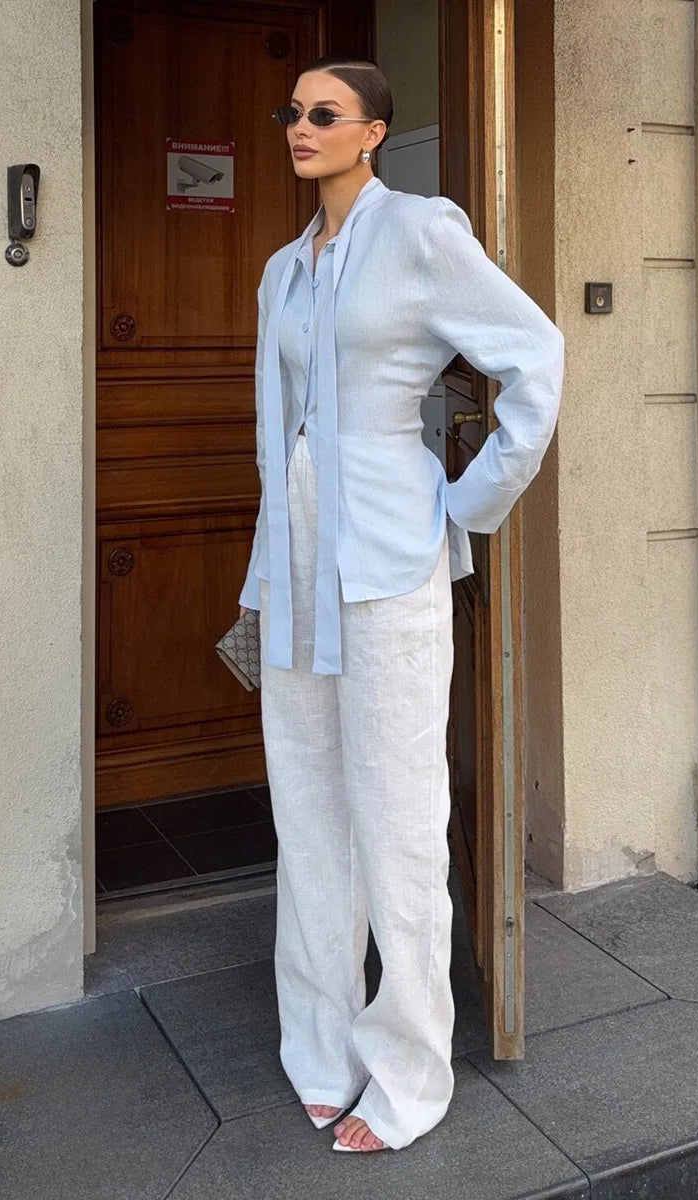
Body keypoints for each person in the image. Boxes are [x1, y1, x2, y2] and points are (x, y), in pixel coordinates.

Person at [237, 55, 564, 1153]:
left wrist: (468, 504)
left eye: (323, 112)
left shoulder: (423, 233)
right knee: (310, 823)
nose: (300, 125)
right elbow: (273, 439)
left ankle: (412, 1070)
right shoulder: (281, 271)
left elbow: (535, 358)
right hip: (293, 576)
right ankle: (319, 1049)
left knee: (400, 824)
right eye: (292, 111)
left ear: (374, 131)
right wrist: (261, 577)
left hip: (390, 563)